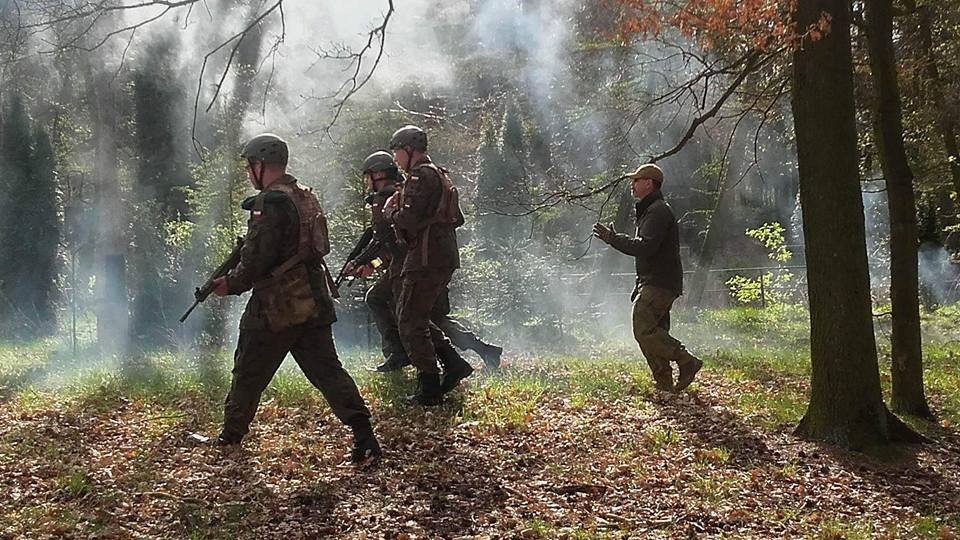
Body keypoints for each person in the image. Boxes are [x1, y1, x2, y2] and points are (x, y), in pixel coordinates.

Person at [211, 133, 381, 466]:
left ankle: (230, 437)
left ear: (261, 165)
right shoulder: (304, 196)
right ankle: (365, 437)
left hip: (277, 307)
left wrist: (228, 284)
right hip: (314, 301)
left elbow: (256, 260)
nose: (248, 172)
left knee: (248, 371)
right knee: (329, 373)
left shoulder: (269, 203)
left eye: (250, 166)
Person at [348, 152, 504, 372]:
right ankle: (479, 352)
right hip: (419, 263)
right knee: (430, 319)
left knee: (406, 313)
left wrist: (369, 265)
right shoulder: (403, 192)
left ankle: (407, 356)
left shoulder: (389, 197)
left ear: (379, 174)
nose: (367, 182)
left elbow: (392, 246)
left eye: (369, 176)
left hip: (413, 266)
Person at [592, 163, 703, 392]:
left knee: (643, 329)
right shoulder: (652, 210)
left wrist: (614, 239)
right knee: (654, 332)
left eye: (636, 180)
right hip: (658, 281)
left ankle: (686, 361)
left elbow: (646, 247)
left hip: (659, 282)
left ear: (649, 183)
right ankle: (664, 384)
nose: (632, 185)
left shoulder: (658, 211)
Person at [383, 125, 472, 405]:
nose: (395, 158)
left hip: (426, 256)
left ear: (409, 150)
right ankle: (453, 363)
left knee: (408, 320)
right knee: (416, 317)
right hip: (439, 254)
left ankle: (429, 387)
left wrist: (391, 212)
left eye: (397, 151)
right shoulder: (439, 174)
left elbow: (408, 220)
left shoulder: (420, 176)